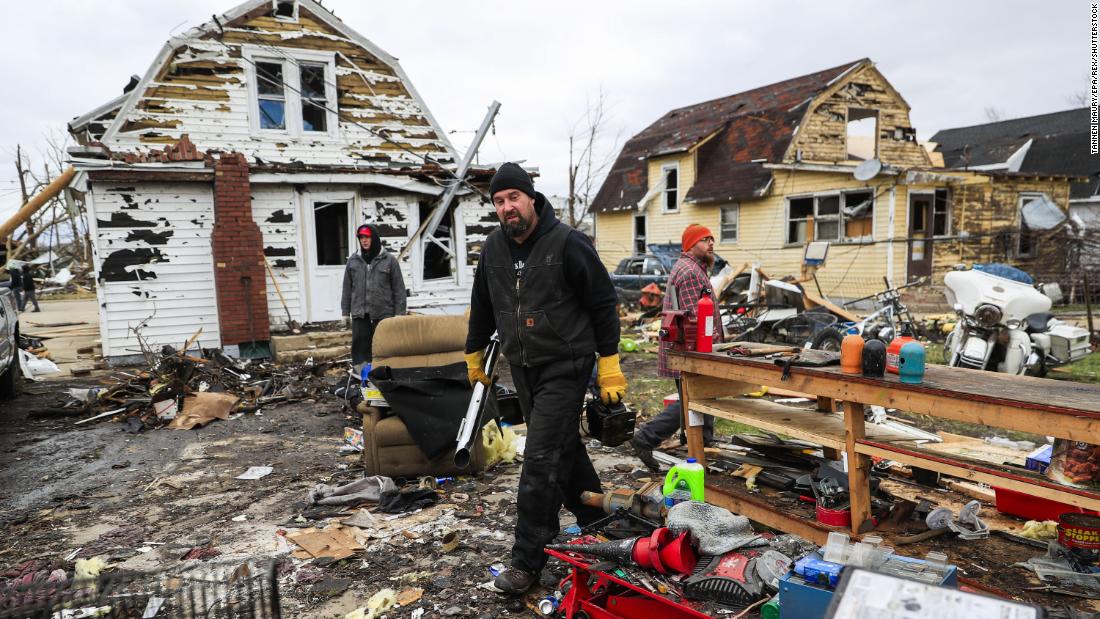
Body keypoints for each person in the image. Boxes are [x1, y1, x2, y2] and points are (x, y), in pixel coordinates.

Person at [465, 162, 626, 595]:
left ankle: (526, 560)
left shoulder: (568, 243)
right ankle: (606, 525)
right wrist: (473, 351)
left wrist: (609, 363)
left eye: (513, 197)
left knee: (539, 460)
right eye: (498, 201)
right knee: (561, 449)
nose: (507, 207)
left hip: (566, 363)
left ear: (531, 198)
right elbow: (482, 304)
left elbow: (603, 303)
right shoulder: (493, 250)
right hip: (523, 365)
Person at [630, 224, 721, 471]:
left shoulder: (691, 268)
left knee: (698, 398)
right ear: (691, 245)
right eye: (705, 240)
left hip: (686, 348)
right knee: (694, 400)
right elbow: (694, 319)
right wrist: (709, 350)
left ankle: (699, 443)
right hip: (690, 350)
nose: (711, 243)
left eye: (712, 239)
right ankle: (645, 438)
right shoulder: (691, 272)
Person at [341, 223, 407, 365]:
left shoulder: (389, 260)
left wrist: (399, 314)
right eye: (361, 237)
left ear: (375, 238)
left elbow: (399, 289)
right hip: (360, 314)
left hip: (383, 315)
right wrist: (345, 313)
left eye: (367, 237)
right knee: (360, 350)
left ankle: (385, 376)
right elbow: (347, 288)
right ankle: (362, 378)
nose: (364, 240)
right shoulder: (353, 261)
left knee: (385, 348)